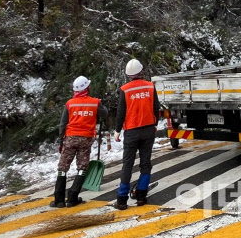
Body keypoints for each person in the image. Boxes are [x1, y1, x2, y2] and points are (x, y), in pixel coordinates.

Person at [50, 76, 108, 208]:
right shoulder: (95, 103)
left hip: (70, 138)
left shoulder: (69, 104)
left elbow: (63, 124)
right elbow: (104, 114)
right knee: (82, 167)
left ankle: (59, 200)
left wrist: (61, 142)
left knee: (63, 168)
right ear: (87, 88)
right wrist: (101, 104)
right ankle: (72, 198)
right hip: (86, 139)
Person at [114, 58, 160, 210]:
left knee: (128, 164)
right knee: (145, 163)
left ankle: (122, 200)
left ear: (128, 75)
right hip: (148, 130)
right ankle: (141, 196)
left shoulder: (125, 90)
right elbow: (156, 108)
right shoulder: (150, 87)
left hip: (131, 132)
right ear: (141, 72)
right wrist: (155, 124)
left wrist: (117, 130)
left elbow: (121, 113)